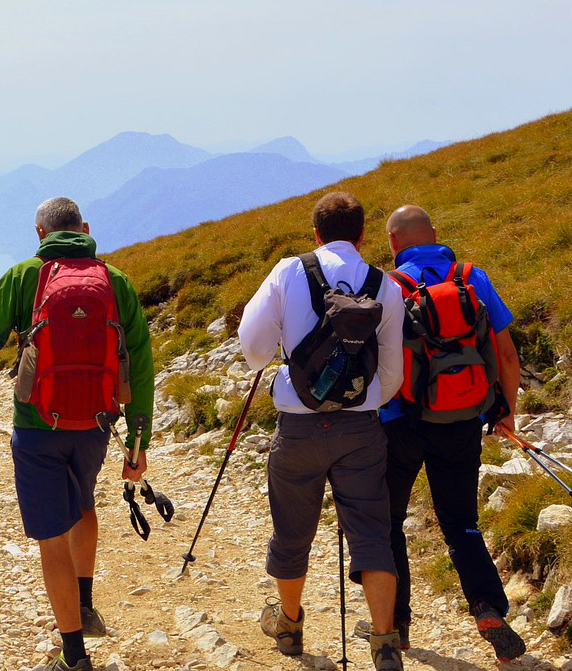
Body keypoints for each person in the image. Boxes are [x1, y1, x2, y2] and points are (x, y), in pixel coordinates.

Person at [0, 197, 156, 671]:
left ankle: (74, 655)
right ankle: (85, 604)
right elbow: (140, 364)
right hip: (97, 425)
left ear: (40, 233)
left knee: (51, 539)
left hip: (38, 424)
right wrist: (139, 443)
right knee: (83, 504)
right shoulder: (115, 280)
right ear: (84, 228)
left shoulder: (24, 276)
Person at [238, 191, 409, 670]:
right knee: (372, 533)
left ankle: (289, 625)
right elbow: (392, 372)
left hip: (298, 426)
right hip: (361, 429)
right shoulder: (385, 285)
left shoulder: (290, 270)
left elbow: (253, 345)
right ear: (362, 234)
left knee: (292, 530)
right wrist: (364, 397)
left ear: (315, 234)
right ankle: (384, 642)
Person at [377, 205, 526, 662]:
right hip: (462, 418)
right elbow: (506, 354)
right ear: (436, 234)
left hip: (401, 422)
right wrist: (505, 412)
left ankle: (396, 626)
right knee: (461, 523)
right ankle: (487, 607)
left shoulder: (389, 286)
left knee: (386, 525)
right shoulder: (471, 277)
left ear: (394, 244)